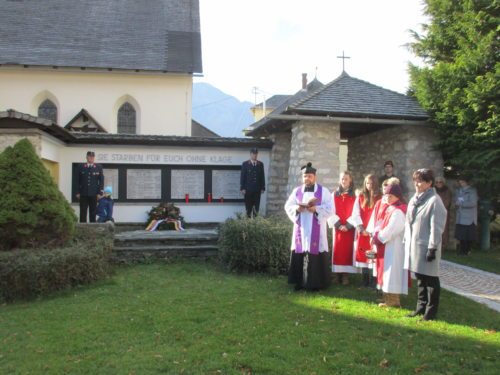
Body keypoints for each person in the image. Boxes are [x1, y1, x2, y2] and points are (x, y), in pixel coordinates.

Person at [404, 169, 447, 321]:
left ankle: (431, 312)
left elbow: (437, 227)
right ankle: (420, 308)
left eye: (421, 180)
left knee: (431, 280)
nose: (417, 183)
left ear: (429, 183)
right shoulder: (415, 198)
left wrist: (432, 248)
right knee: (420, 278)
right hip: (415, 245)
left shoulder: (434, 201)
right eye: (415, 180)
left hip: (427, 247)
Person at [285, 162, 333, 291]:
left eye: (310, 176)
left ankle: (316, 283)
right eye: (305, 176)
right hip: (301, 229)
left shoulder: (324, 191)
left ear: (315, 177)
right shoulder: (297, 191)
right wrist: (297, 208)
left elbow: (331, 209)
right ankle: (299, 283)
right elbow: (288, 206)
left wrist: (316, 209)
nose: (307, 178)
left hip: (316, 228)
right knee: (300, 252)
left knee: (315, 254)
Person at [368, 178, 408, 307]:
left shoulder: (399, 211)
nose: (388, 198)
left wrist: (378, 238)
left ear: (397, 196)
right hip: (387, 246)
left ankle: (394, 301)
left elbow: (391, 230)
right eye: (387, 196)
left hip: (394, 247)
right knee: (386, 272)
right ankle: (387, 298)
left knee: (392, 274)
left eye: (391, 196)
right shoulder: (391, 208)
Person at [351, 174, 381, 287]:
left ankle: (374, 280)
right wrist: (361, 228)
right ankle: (365, 280)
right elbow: (355, 213)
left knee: (374, 255)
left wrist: (373, 230)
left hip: (374, 232)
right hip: (363, 232)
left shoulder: (380, 197)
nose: (369, 185)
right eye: (367, 183)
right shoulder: (361, 197)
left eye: (372, 183)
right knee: (364, 255)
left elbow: (380, 214)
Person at [328, 171, 357, 285]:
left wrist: (348, 225)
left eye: (346, 178)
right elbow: (330, 211)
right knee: (338, 250)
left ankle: (345, 275)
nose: (344, 181)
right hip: (338, 228)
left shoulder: (355, 195)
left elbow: (356, 212)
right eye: (342, 179)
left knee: (348, 251)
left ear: (350, 180)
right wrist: (339, 225)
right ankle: (336, 274)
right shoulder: (334, 195)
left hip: (349, 229)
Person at [76, 151, 104, 223]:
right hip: (83, 193)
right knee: (83, 212)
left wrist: (99, 193)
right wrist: (77, 192)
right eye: (89, 156)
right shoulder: (81, 166)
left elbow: (101, 181)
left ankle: (92, 228)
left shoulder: (98, 167)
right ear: (86, 157)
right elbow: (77, 180)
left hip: (94, 194)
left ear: (94, 158)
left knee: (93, 212)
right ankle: (83, 228)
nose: (91, 158)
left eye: (92, 157)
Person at [454, 176, 478, 255]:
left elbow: (473, 203)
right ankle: (461, 250)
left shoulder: (472, 191)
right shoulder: (458, 190)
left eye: (463, 182)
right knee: (461, 235)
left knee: (468, 236)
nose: (461, 184)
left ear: (467, 182)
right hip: (460, 216)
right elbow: (456, 200)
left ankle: (467, 250)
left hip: (468, 217)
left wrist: (461, 204)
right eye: (460, 182)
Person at [240, 148, 266, 218]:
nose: (255, 155)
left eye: (256, 154)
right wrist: (242, 188)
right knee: (248, 208)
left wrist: (263, 187)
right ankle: (248, 225)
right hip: (248, 190)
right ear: (250, 154)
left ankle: (255, 224)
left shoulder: (260, 164)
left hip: (257, 190)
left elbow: (262, 176)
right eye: (253, 154)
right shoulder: (245, 164)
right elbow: (243, 176)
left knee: (256, 208)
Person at [435, 176, 452, 249]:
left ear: (443, 183)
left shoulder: (447, 191)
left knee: (444, 229)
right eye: (437, 182)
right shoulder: (433, 190)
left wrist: (441, 209)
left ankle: (443, 246)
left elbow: (447, 202)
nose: (439, 184)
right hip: (434, 212)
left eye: (440, 182)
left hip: (444, 212)